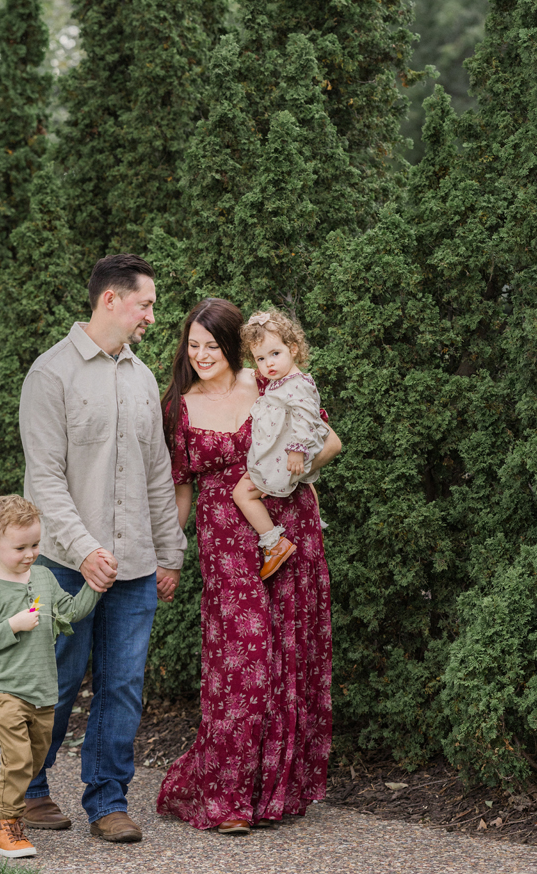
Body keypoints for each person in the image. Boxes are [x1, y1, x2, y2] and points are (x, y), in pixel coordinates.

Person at [18, 254, 186, 843]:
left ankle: (107, 799)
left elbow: (158, 474)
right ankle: (30, 791)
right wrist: (86, 549)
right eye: (146, 304)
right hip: (66, 567)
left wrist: (169, 553)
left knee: (121, 686)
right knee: (56, 685)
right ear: (110, 300)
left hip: (136, 566)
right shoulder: (51, 374)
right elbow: (44, 481)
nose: (151, 317)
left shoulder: (141, 378)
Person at [156, 298, 341, 834]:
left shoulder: (267, 379)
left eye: (212, 345)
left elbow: (328, 441)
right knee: (244, 655)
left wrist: (286, 474)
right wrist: (172, 553)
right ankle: (228, 796)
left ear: (233, 343)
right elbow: (183, 488)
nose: (202, 354)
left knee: (287, 652)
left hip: (287, 524)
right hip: (224, 541)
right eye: (193, 345)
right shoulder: (180, 406)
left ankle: (274, 793)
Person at [0, 495, 101, 859]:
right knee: (19, 760)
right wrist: (12, 625)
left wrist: (95, 587)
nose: (30, 554)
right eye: (20, 547)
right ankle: (7, 828)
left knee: (34, 760)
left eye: (36, 545)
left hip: (42, 692)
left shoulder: (43, 577)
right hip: (5, 691)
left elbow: (69, 612)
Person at [232, 310, 330, 580]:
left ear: (294, 348)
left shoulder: (297, 384)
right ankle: (275, 540)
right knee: (247, 491)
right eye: (261, 358)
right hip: (277, 458)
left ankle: (273, 542)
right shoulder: (280, 383)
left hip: (287, 459)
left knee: (242, 494)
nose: (268, 364)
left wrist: (298, 449)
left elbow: (307, 417)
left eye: (275, 354)